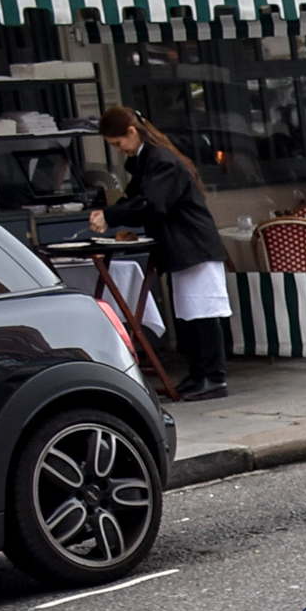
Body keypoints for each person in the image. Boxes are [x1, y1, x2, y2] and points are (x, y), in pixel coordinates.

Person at [90, 105, 230, 400]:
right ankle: (199, 373)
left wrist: (111, 216)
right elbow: (139, 198)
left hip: (193, 244)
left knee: (204, 313)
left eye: (118, 144)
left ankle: (213, 376)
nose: (118, 150)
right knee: (189, 315)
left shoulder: (161, 160)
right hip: (182, 245)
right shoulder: (148, 160)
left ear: (131, 132)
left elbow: (152, 203)